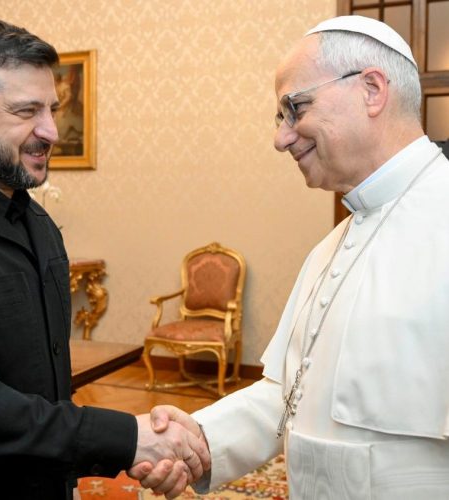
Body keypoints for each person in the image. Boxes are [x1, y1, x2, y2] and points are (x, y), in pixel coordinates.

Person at [130, 15, 449, 500]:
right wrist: (200, 440)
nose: (281, 138)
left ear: (371, 90)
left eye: (295, 108)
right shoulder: (330, 247)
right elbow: (289, 394)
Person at [0, 18, 209, 500]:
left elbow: (44, 390)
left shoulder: (39, 225)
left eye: (52, 109)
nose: (51, 131)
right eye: (26, 111)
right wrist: (126, 439)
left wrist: (131, 448)